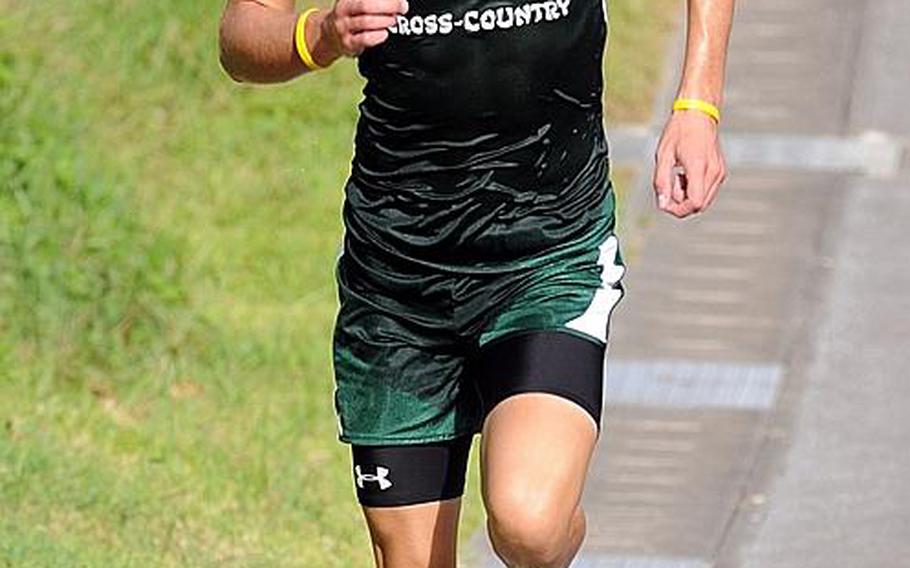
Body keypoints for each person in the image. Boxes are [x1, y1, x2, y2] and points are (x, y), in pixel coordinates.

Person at [218, 0, 731, 565]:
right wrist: (321, 32)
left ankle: (559, 523)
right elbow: (241, 37)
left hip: (545, 250)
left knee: (529, 525)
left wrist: (697, 103)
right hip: (398, 279)